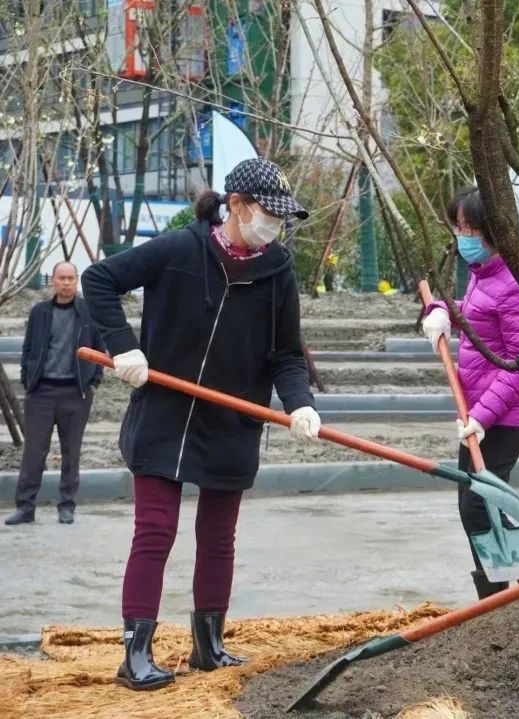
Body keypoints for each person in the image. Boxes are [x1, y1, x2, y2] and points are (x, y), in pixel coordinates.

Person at [81, 158, 323, 691]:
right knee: (155, 532)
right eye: (267, 214)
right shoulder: (178, 251)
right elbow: (99, 280)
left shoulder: (277, 268)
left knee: (219, 538)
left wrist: (299, 402)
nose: (274, 228)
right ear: (235, 206)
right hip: (166, 412)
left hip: (232, 419)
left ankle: (208, 646)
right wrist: (124, 348)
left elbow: (286, 352)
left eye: (282, 220)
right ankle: (136, 653)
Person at [421, 187, 519, 600]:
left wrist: (483, 417)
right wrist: (442, 311)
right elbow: (480, 319)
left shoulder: (513, 283)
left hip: (506, 412)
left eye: (470, 228)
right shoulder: (486, 274)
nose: (463, 237)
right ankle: (502, 596)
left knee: (482, 502)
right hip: (480, 408)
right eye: (458, 228)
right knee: (475, 502)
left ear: (494, 231)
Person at [4, 262, 103, 526]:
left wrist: (93, 381)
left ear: (77, 280)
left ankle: (67, 506)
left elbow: (99, 349)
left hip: (76, 392)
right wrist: (28, 380)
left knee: (72, 452)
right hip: (42, 392)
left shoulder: (88, 313)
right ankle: (25, 507)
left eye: (71, 278)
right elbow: (28, 349)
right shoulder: (40, 312)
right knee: (34, 452)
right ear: (53, 281)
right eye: (61, 278)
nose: (66, 283)